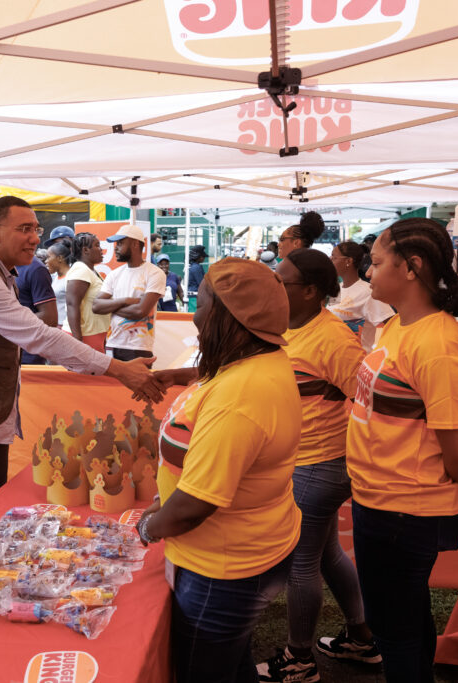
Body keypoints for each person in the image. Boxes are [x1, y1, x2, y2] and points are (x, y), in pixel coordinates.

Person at [0, 196, 164, 557]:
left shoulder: (1, 271)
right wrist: (119, 370)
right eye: (24, 229)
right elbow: (39, 335)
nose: (35, 237)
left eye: (36, 228)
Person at [134, 257, 302, 683]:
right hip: (241, 552)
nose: (195, 314)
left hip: (223, 569)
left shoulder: (239, 398)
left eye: (202, 303)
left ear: (229, 316)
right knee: (230, 663)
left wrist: (148, 528)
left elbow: (195, 505)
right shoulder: (255, 361)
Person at [348, 218, 458, 681]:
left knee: (394, 627)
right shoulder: (398, 326)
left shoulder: (437, 345)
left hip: (404, 510)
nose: (368, 273)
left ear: (411, 267)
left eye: (376, 262)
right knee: (403, 616)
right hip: (382, 501)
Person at [258, 249, 378, 683]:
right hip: (303, 460)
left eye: (281, 281)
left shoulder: (333, 339)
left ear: (310, 291)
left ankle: (299, 659)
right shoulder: (286, 327)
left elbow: (368, 401)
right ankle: (361, 639)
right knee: (326, 555)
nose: (273, 286)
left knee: (300, 562)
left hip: (320, 463)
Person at [92, 224, 166, 361]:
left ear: (134, 244)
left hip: (138, 347)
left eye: (120, 243)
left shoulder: (155, 273)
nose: (116, 248)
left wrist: (111, 307)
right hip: (112, 344)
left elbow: (140, 311)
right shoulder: (114, 274)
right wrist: (125, 301)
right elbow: (96, 306)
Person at [329, 240, 395, 351]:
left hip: (358, 358)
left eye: (334, 257)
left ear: (348, 261)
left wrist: (380, 352)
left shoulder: (368, 292)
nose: (330, 260)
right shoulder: (336, 289)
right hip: (335, 357)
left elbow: (390, 322)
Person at [64, 232, 110, 351]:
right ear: (85, 250)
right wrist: (78, 342)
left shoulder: (91, 271)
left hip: (93, 335)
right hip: (84, 337)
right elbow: (72, 305)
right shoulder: (81, 270)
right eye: (97, 245)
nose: (101, 250)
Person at [15, 242, 58, 364]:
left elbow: (50, 318)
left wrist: (7, 323)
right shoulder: (1, 267)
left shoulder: (35, 269)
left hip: (27, 355)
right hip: (3, 353)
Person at [45, 238, 73, 327]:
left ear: (60, 258)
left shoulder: (72, 278)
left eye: (48, 257)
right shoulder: (56, 277)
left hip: (66, 326)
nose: (46, 261)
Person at [186, 245, 207, 312]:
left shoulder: (192, 266)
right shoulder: (196, 267)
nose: (203, 258)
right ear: (197, 257)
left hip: (193, 296)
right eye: (202, 256)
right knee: (194, 315)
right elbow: (202, 283)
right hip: (195, 297)